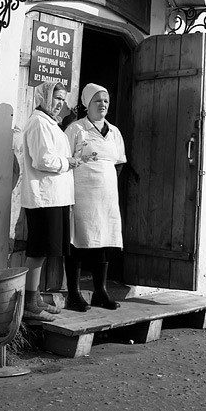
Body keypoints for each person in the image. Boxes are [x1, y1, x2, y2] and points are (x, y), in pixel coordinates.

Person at [20, 81, 81, 321]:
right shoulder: (38, 123)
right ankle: (28, 303)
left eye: (63, 99)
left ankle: (33, 298)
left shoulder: (50, 124)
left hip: (54, 196)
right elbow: (43, 160)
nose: (60, 104)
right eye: (56, 98)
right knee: (38, 250)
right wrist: (68, 162)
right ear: (44, 97)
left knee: (44, 250)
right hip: (43, 197)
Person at [64, 83, 127, 311]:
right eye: (98, 101)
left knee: (104, 239)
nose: (103, 105)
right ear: (86, 104)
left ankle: (100, 292)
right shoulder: (76, 130)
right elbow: (66, 158)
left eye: (106, 101)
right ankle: (73, 294)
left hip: (107, 195)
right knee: (79, 239)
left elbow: (119, 163)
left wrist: (104, 181)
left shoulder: (114, 132)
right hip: (82, 193)